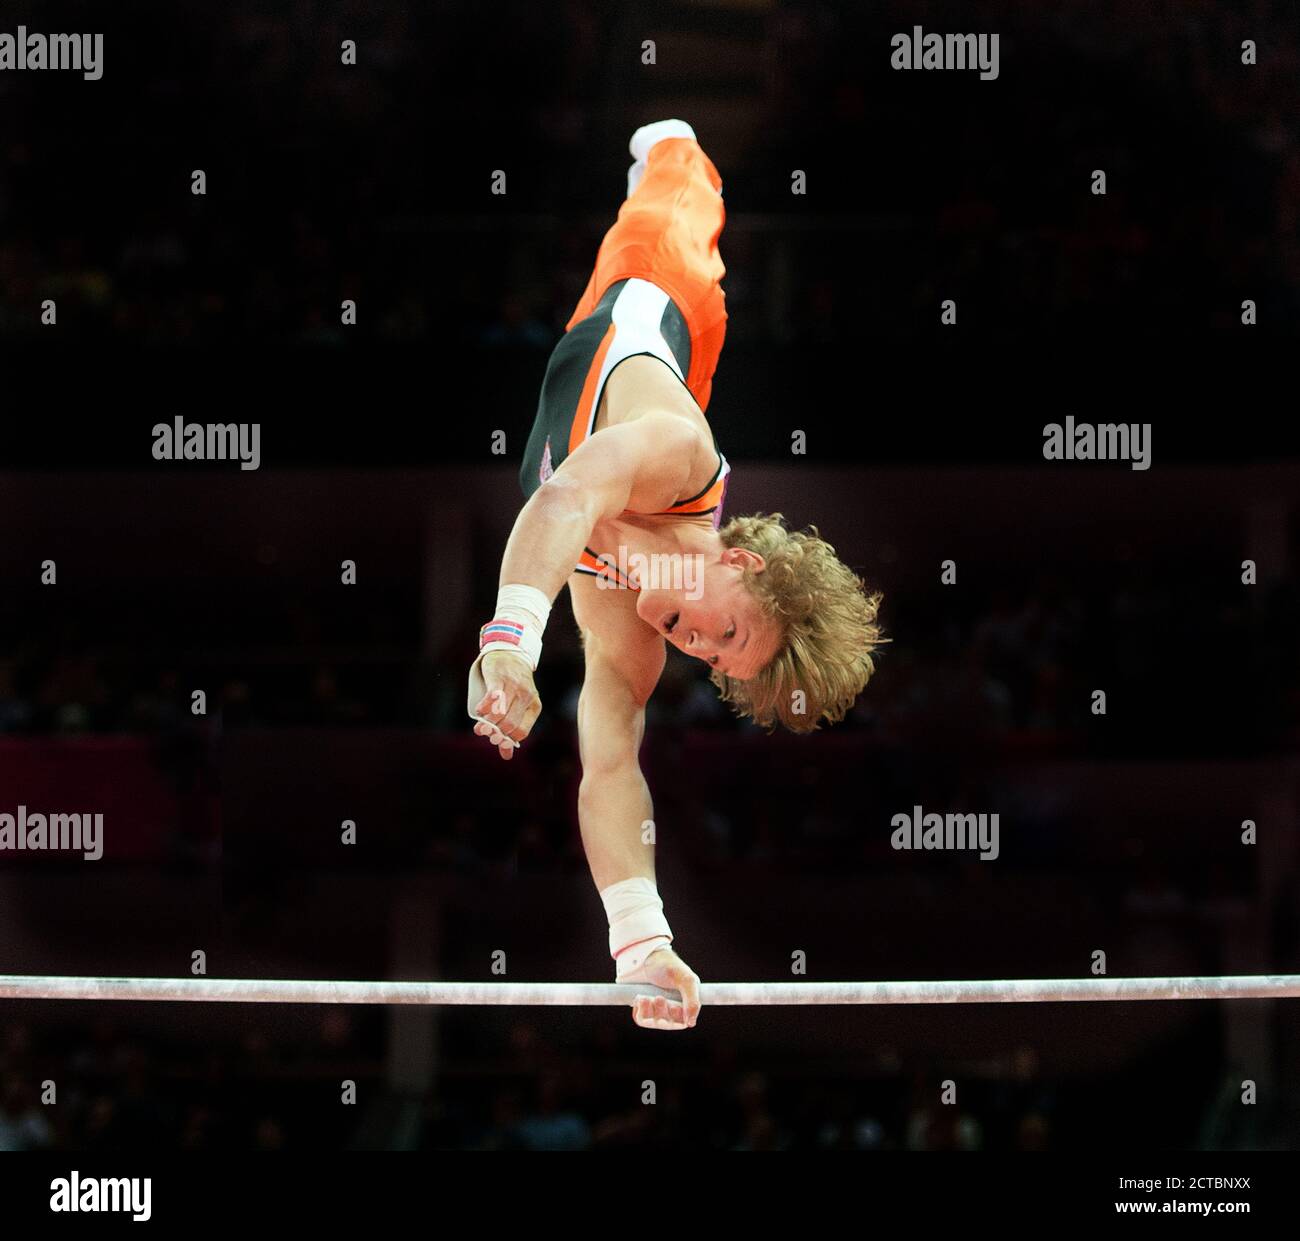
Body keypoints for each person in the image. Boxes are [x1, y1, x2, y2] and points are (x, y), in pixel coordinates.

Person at [467, 121, 883, 1030]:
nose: (694, 645)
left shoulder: (627, 624)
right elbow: (565, 496)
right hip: (664, 293)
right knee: (678, 202)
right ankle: (679, 148)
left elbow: (610, 765)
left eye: (712, 659)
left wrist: (642, 942)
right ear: (741, 558)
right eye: (728, 630)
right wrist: (510, 641)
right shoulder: (679, 452)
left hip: (592, 341)